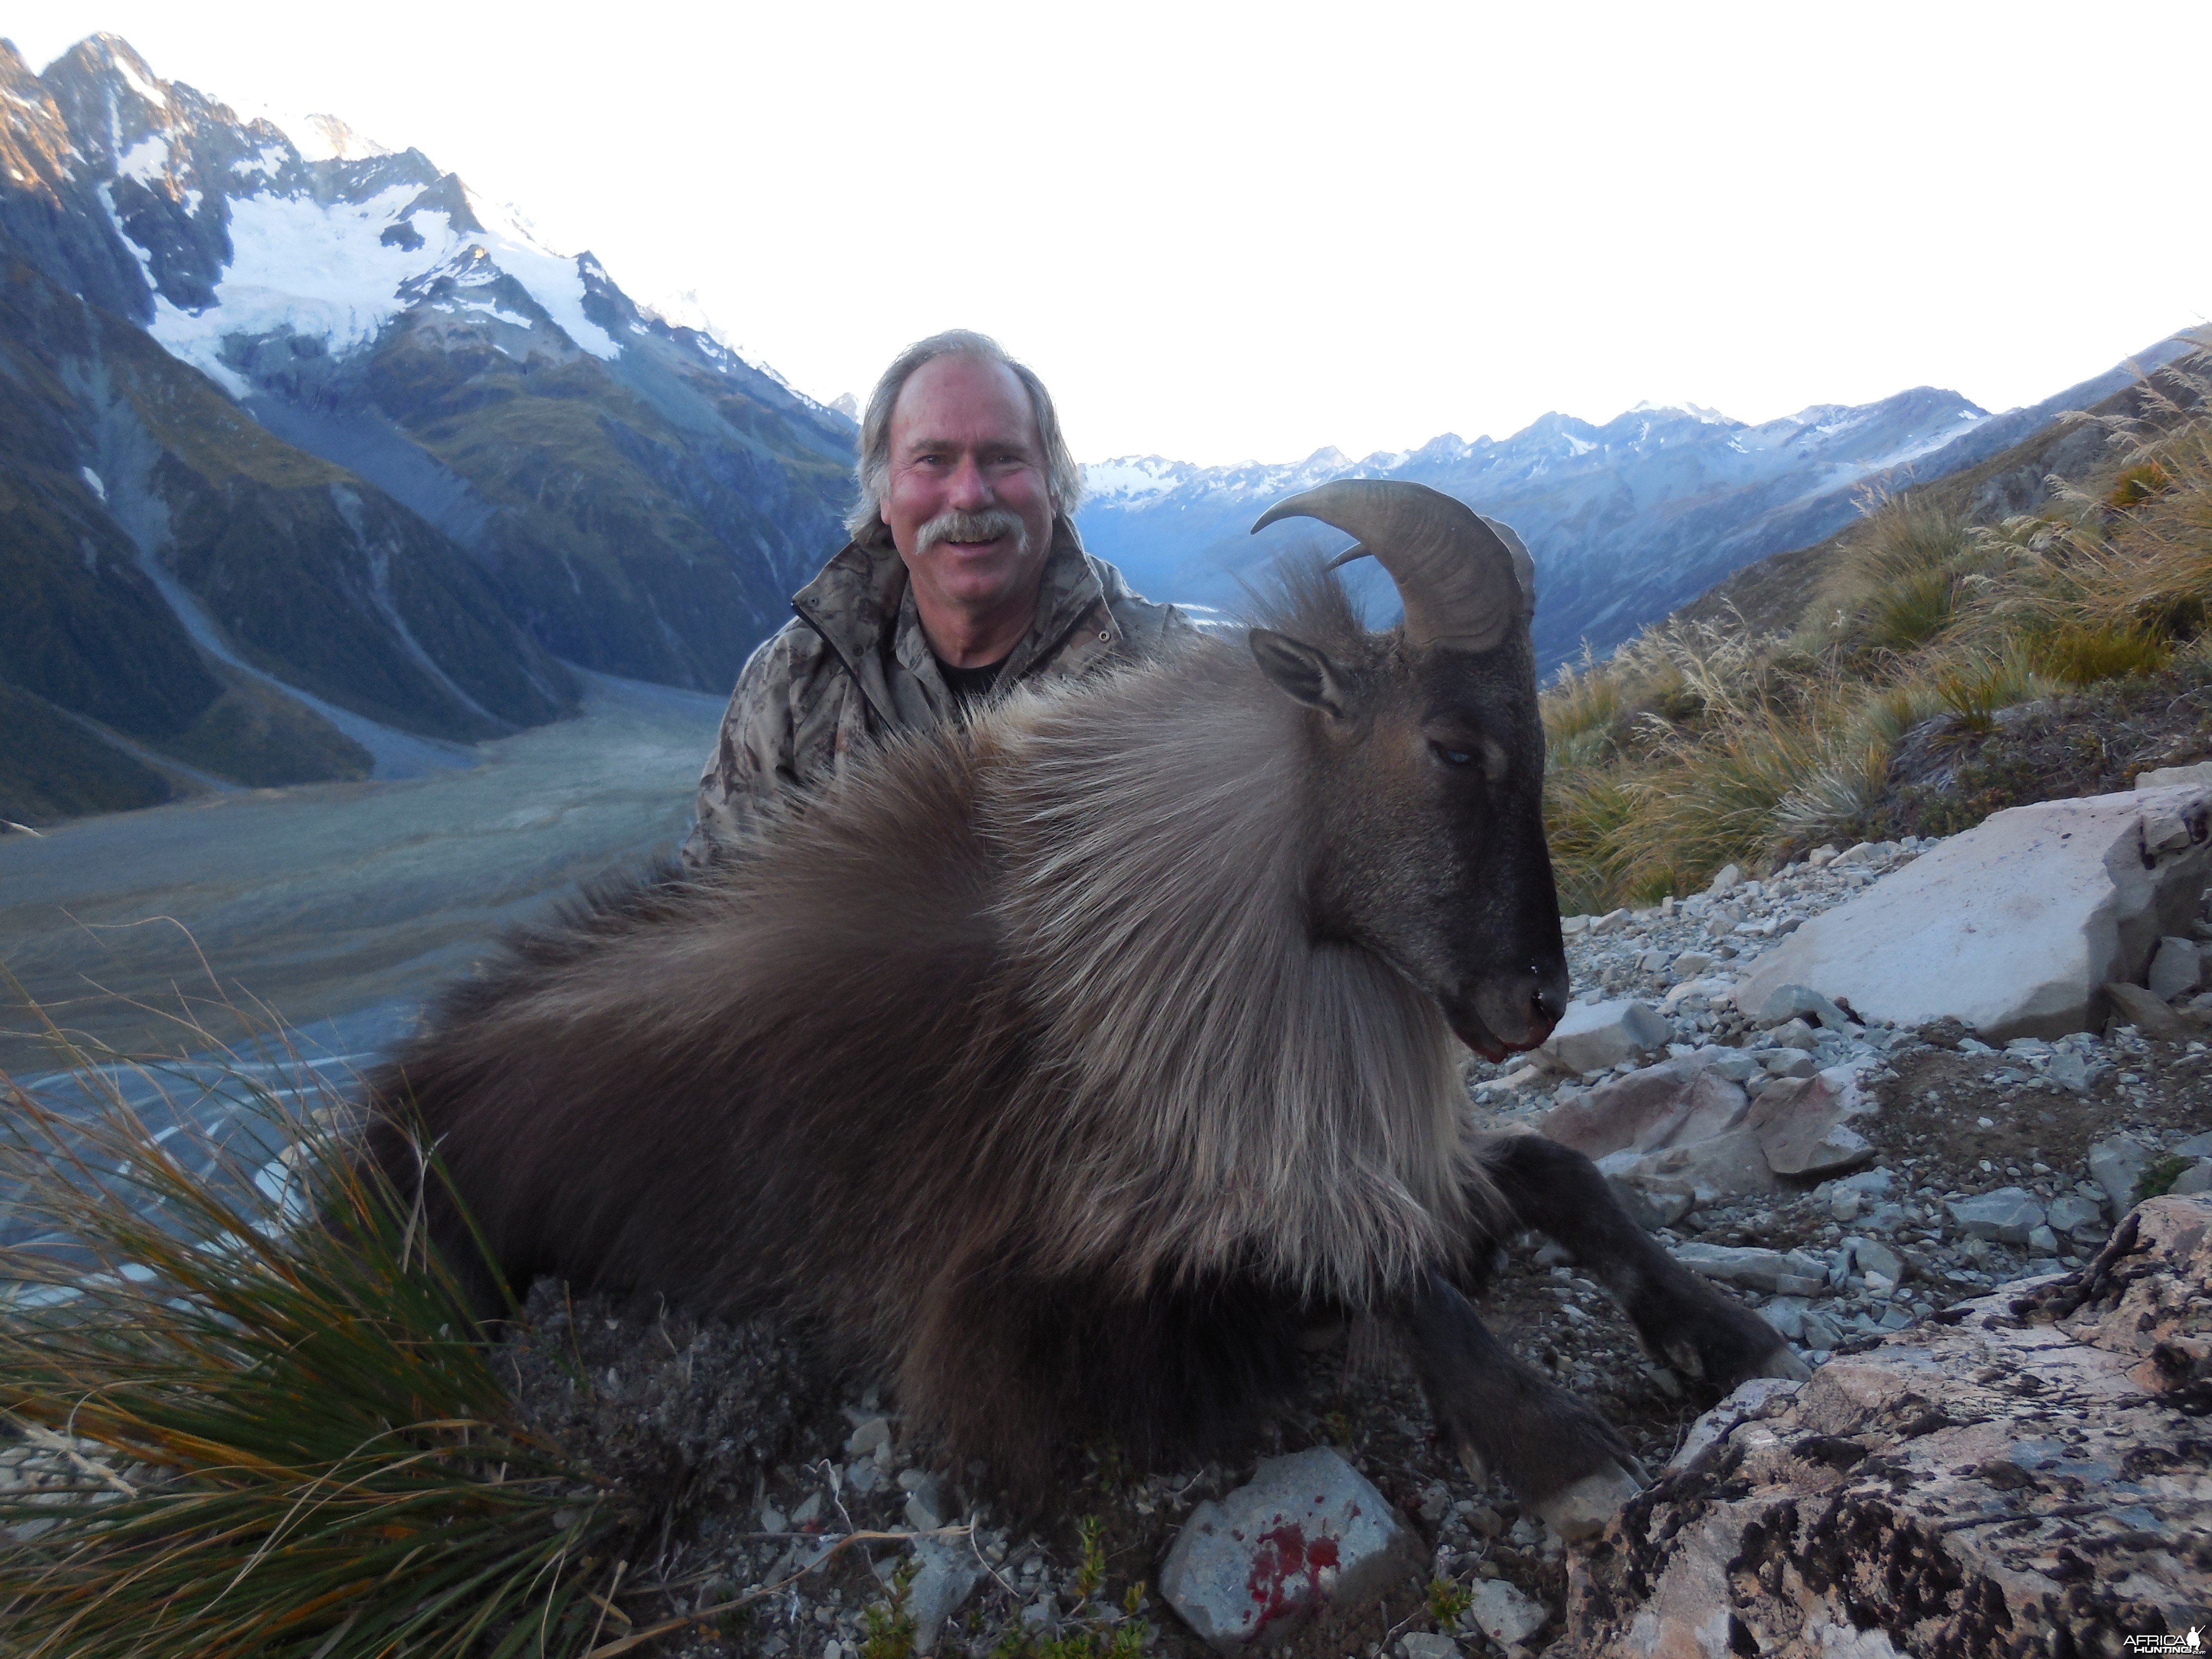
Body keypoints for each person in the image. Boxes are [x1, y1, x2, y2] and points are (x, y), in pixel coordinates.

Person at [681, 330, 1187, 869]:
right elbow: (713, 915)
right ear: (884, 493)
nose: (970, 494)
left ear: (1054, 489)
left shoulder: (1171, 675)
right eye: (932, 460)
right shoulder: (791, 681)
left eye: (1004, 458)